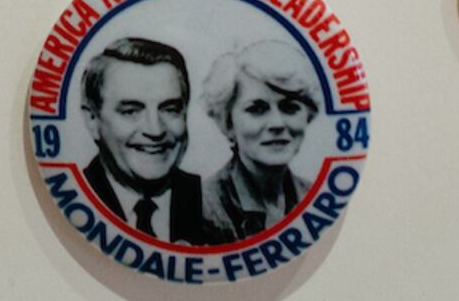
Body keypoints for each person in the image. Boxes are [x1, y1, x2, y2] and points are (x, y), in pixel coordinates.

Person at [74, 33, 221, 243]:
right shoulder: (77, 197)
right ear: (92, 120)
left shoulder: (215, 203)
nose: (155, 130)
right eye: (131, 111)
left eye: (170, 109)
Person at [195, 36, 322, 242]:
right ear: (228, 124)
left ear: (307, 115)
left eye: (290, 108)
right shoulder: (201, 209)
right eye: (257, 109)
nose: (277, 124)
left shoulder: (314, 197)